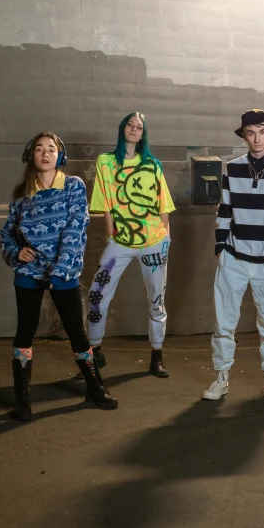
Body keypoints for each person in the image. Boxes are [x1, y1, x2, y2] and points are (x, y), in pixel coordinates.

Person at [0, 132, 117, 421]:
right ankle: (22, 400)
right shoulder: (20, 195)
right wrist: (16, 253)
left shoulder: (73, 186)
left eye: (51, 149)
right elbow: (7, 235)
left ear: (59, 156)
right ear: (31, 156)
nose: (45, 153)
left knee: (76, 332)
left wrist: (62, 270)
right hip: (29, 273)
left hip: (63, 271)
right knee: (25, 333)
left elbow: (76, 230)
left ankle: (95, 388)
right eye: (39, 149)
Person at [202, 109, 264, 404]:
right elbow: (224, 211)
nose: (257, 138)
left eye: (262, 131)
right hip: (234, 257)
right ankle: (221, 378)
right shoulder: (232, 168)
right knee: (224, 323)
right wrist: (221, 248)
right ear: (244, 135)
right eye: (251, 132)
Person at [85, 112, 175, 378]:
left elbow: (164, 205)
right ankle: (93, 355)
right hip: (120, 242)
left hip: (154, 242)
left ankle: (156, 355)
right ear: (122, 128)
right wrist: (111, 235)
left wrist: (166, 239)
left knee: (156, 300)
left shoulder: (153, 164)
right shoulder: (106, 162)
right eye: (130, 124)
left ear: (143, 133)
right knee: (96, 295)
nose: (134, 129)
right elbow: (105, 205)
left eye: (139, 127)